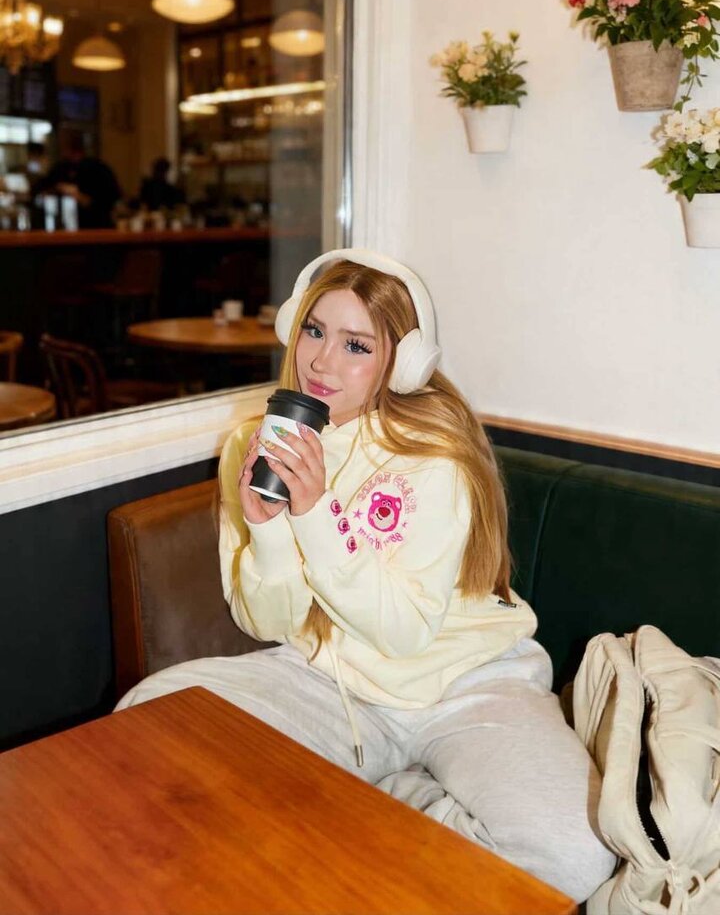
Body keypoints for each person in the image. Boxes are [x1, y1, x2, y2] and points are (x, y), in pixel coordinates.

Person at [116, 248, 616, 902]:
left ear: (402, 363)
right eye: (315, 331)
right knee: (147, 720)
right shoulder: (254, 444)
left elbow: (405, 634)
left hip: (464, 682)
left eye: (357, 345)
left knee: (574, 854)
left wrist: (315, 512)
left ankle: (380, 801)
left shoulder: (436, 455)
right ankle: (375, 796)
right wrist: (268, 530)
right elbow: (267, 622)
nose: (322, 361)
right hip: (328, 678)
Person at [44, 130, 122, 229]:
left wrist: (80, 197)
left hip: (96, 226)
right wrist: (57, 190)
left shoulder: (97, 169)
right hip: (62, 226)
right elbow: (43, 191)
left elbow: (112, 198)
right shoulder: (59, 169)